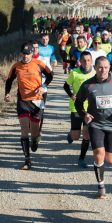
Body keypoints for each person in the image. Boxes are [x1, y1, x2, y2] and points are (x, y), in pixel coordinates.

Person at [74, 56, 112, 199]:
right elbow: (78, 103)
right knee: (98, 153)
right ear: (95, 68)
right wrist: (84, 114)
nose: (103, 70)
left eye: (105, 67)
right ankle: (101, 185)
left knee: (111, 160)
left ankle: (104, 153)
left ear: (109, 67)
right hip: (96, 124)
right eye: (100, 67)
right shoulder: (87, 85)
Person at [4, 42, 53, 170]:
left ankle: (36, 139)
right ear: (21, 53)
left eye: (28, 53)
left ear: (32, 53)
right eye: (23, 54)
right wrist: (7, 94)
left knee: (34, 132)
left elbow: (50, 75)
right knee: (24, 130)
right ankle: (27, 160)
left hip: (37, 101)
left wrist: (43, 87)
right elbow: (9, 81)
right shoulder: (16, 66)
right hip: (23, 101)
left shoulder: (38, 64)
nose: (25, 56)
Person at [64, 51, 96, 168]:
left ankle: (81, 159)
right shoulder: (74, 73)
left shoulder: (95, 73)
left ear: (91, 61)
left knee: (86, 134)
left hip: (90, 108)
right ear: (80, 62)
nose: (86, 63)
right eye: (84, 60)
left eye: (88, 60)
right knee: (76, 136)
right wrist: (71, 95)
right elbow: (66, 85)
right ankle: (71, 134)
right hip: (76, 107)